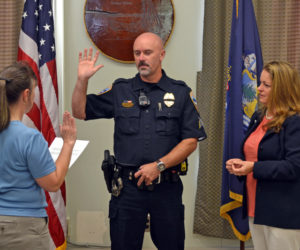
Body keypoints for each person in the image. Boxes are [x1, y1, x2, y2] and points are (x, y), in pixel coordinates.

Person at [72, 32, 206, 250]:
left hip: (166, 187)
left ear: (161, 55)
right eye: (137, 53)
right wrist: (81, 80)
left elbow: (191, 141)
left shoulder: (180, 93)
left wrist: (158, 166)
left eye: (147, 52)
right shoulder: (121, 90)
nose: (141, 58)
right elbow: (80, 111)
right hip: (127, 190)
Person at [0, 61, 77, 250]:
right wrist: (68, 144)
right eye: (34, 91)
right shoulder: (29, 137)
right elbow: (53, 183)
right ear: (26, 95)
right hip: (22, 229)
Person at [226, 61, 300, 250]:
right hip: (255, 207)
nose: (258, 89)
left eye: (266, 85)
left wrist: (253, 167)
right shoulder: (259, 116)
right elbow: (256, 154)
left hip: (283, 213)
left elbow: (294, 166)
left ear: (282, 89)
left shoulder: (294, 121)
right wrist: (242, 166)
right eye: (260, 83)